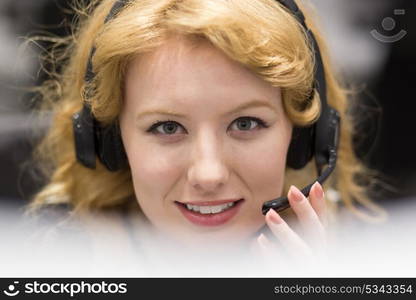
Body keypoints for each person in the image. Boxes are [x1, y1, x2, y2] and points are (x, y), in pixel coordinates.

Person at [28, 0, 386, 273]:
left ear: (305, 135)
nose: (208, 175)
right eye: (167, 127)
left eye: (245, 123)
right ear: (108, 140)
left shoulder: (370, 263)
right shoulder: (47, 262)